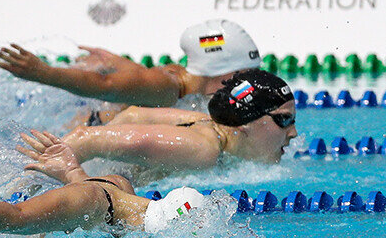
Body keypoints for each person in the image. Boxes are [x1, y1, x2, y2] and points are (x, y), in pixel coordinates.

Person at [0, 130, 212, 237]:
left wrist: (71, 170)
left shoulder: (121, 190)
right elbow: (17, 218)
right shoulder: (89, 199)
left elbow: (97, 197)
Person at [60, 68, 298, 172]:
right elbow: (87, 140)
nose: (294, 133)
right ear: (247, 120)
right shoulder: (203, 149)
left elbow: (135, 114)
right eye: (285, 120)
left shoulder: (207, 126)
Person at [0, 18, 260, 109]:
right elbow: (105, 85)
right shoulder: (168, 88)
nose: (251, 83)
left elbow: (137, 79)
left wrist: (120, 63)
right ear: (219, 71)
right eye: (245, 74)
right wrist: (43, 73)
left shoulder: (184, 80)